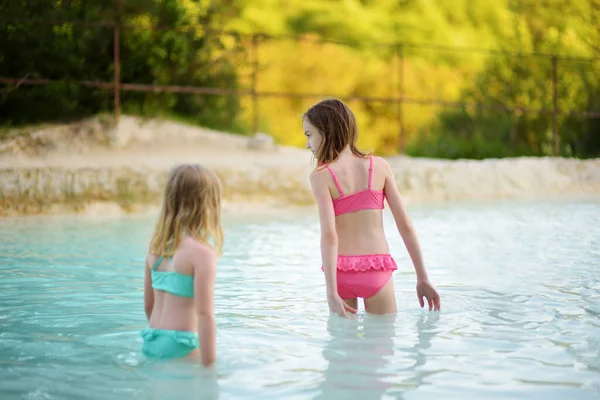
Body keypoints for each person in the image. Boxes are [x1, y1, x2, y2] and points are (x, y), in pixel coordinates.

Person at [304, 98, 441, 317]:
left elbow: (329, 235)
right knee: (382, 345)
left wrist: (331, 292)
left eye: (309, 135)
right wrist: (422, 277)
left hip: (342, 272)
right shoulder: (379, 166)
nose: (307, 144)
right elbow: (404, 224)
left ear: (326, 131)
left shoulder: (321, 177)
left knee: (341, 347)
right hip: (377, 269)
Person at [141, 163, 223, 366]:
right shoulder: (201, 254)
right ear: (207, 206)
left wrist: (161, 339)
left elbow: (148, 305)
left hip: (151, 339)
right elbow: (205, 315)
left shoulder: (155, 247)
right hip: (181, 345)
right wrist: (209, 369)